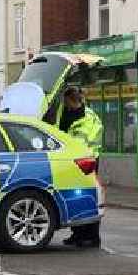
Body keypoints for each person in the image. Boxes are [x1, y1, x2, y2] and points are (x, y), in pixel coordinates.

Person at [56, 86, 103, 248]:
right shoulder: (66, 114)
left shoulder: (87, 117)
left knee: (87, 198)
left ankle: (92, 236)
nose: (64, 104)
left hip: (86, 162)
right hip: (72, 161)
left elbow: (82, 143)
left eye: (66, 101)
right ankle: (77, 234)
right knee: (74, 197)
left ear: (71, 100)